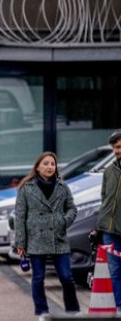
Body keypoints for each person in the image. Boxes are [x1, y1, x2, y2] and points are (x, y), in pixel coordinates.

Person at [14, 151, 80, 317]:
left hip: (58, 237)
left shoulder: (62, 186)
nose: (50, 167)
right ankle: (42, 311)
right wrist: (20, 242)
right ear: (37, 167)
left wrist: (63, 221)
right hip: (36, 237)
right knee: (38, 278)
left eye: (53, 164)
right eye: (46, 163)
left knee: (66, 277)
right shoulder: (26, 188)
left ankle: (73, 311)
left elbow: (72, 208)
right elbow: (20, 216)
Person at [96, 129, 121, 312]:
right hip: (109, 230)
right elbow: (104, 198)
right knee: (114, 271)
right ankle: (119, 308)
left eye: (119, 147)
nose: (117, 151)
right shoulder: (109, 171)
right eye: (114, 148)